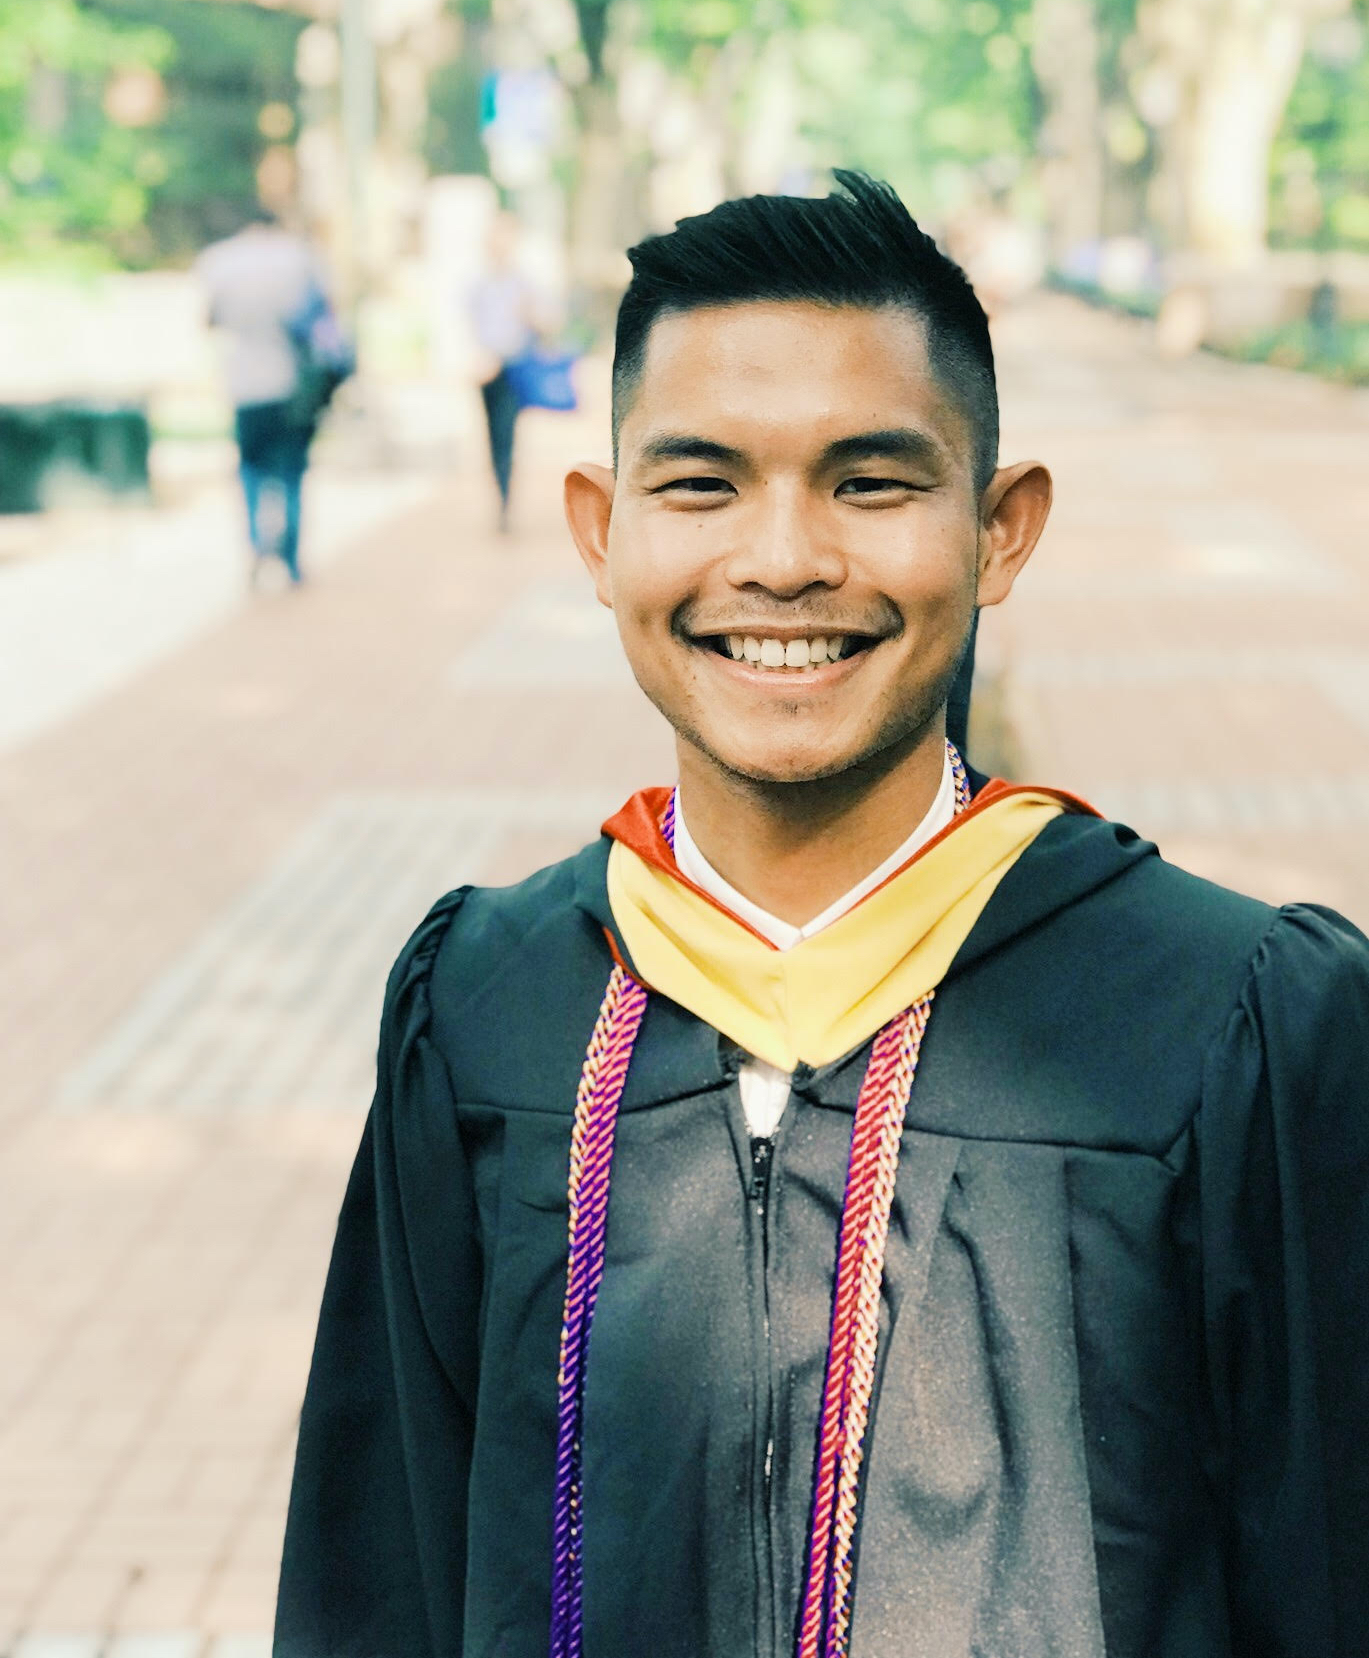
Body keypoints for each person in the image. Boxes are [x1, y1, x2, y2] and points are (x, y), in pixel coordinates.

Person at [275, 173, 1369, 1658]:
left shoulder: (1227, 1020)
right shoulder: (486, 1008)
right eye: (700, 482)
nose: (783, 557)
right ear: (598, 534)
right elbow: (381, 1570)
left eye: (870, 482)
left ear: (999, 530)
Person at [199, 216, 338, 586]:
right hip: (292, 385)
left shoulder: (222, 264)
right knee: (291, 472)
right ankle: (290, 557)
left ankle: (259, 545)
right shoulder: (299, 261)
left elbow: (208, 319)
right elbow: (325, 321)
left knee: (252, 471)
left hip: (246, 386)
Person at [467, 210, 537, 531]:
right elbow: (473, 328)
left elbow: (541, 322)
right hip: (487, 370)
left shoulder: (522, 283)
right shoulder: (479, 284)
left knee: (506, 435)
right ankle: (500, 494)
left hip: (513, 367)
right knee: (492, 437)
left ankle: (506, 501)